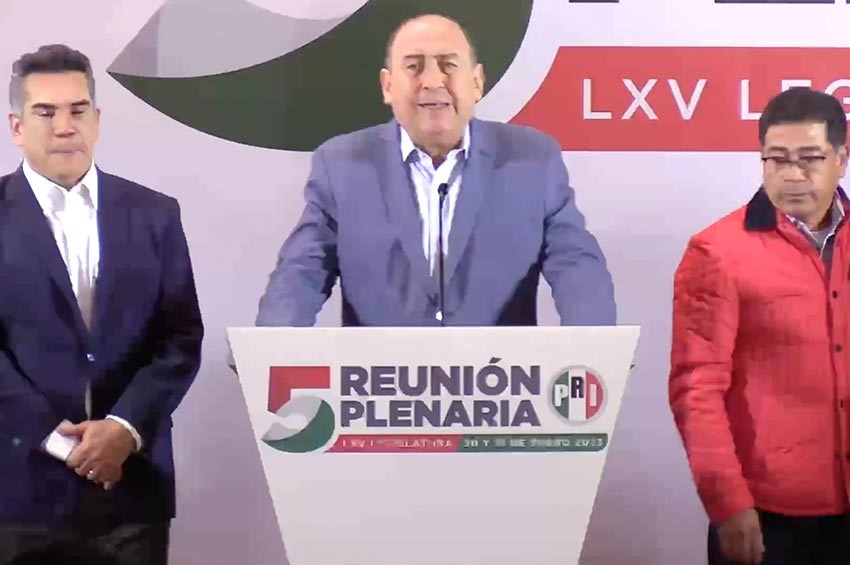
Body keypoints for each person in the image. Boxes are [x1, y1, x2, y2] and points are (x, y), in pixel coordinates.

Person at [256, 14, 615, 327]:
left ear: (477, 82)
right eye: (414, 66)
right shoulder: (340, 165)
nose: (432, 80)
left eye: (448, 65)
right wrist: (270, 354)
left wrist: (595, 350)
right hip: (380, 380)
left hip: (500, 378)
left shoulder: (534, 160)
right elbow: (302, 271)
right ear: (387, 86)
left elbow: (576, 264)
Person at [0, 44, 203, 565]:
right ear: (17, 126)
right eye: (46, 113)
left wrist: (123, 430)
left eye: (77, 110)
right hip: (18, 493)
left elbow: (181, 339)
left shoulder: (156, 213)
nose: (64, 127)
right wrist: (60, 442)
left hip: (132, 489)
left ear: (97, 119)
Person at [669, 87, 850, 565]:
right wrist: (727, 502)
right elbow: (696, 388)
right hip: (768, 516)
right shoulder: (716, 253)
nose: (792, 174)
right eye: (777, 159)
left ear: (841, 159)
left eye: (809, 159)